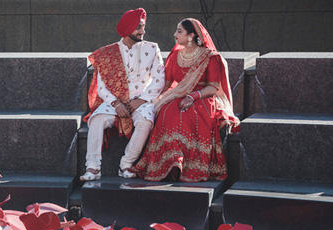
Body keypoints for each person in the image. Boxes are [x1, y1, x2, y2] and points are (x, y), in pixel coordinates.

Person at [131, 18, 239, 182]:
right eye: (176, 30)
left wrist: (192, 96)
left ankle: (186, 166)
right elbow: (166, 85)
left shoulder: (210, 57)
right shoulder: (175, 57)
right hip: (178, 95)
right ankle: (170, 164)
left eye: (179, 31)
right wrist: (150, 100)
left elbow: (213, 87)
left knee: (191, 116)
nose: (175, 34)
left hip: (202, 97)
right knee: (167, 114)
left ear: (191, 35)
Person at [81, 8, 165, 181]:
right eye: (139, 27)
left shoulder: (152, 48)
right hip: (115, 102)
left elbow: (159, 80)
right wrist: (116, 104)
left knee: (145, 122)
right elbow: (102, 87)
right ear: (127, 29)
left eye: (143, 27)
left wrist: (140, 101)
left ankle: (126, 164)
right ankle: (93, 167)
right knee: (95, 120)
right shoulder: (107, 53)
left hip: (142, 100)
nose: (143, 31)